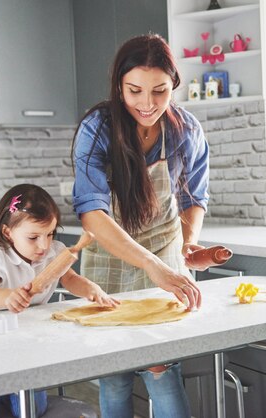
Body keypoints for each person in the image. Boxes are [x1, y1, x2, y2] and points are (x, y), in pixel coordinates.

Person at [71, 34, 210, 418]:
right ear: (119, 86)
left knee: (161, 367)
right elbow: (92, 214)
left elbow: (193, 199)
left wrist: (188, 245)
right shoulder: (97, 129)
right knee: (115, 374)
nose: (147, 104)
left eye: (160, 91)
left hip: (165, 250)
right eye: (135, 91)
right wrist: (151, 264)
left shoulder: (185, 131)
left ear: (173, 86)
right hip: (110, 253)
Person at [0, 183, 118, 418]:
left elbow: (69, 278)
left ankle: (11, 395)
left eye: (50, 234)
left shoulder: (55, 251)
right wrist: (8, 297)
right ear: (8, 233)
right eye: (33, 237)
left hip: (28, 341)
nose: (44, 245)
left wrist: (90, 288)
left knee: (33, 407)